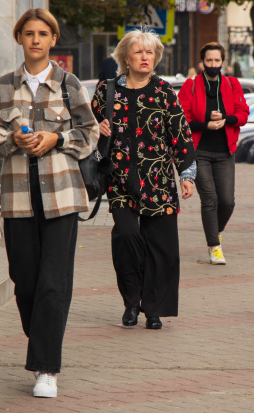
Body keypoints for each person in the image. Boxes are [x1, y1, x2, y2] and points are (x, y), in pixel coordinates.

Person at [0, 8, 98, 398]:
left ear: (52, 40)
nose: (35, 39)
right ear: (20, 39)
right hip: (17, 201)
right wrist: (14, 140)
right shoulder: (1, 87)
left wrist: (57, 140)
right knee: (25, 284)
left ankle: (46, 368)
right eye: (28, 33)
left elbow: (90, 131)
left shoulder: (69, 84)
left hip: (62, 198)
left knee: (53, 284)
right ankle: (43, 339)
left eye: (42, 33)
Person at [91, 29, 196, 330]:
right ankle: (131, 301)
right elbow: (85, 128)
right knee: (126, 237)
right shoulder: (107, 90)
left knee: (162, 247)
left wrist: (186, 175)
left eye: (150, 52)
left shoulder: (164, 91)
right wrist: (98, 128)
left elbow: (181, 135)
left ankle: (153, 309)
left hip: (159, 181)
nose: (145, 57)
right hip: (120, 179)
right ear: (126, 57)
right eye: (139, 52)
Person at [178, 42, 250, 265]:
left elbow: (243, 114)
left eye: (217, 61)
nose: (213, 65)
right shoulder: (190, 86)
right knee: (210, 199)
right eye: (209, 61)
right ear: (202, 62)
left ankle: (215, 232)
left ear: (223, 61)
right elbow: (183, 119)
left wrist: (226, 120)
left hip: (225, 152)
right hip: (200, 151)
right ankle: (214, 247)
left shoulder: (232, 83)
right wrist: (206, 125)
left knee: (227, 202)